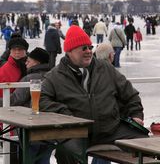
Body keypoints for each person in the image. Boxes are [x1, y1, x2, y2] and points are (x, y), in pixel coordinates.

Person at [39, 25, 148, 164]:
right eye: (83, 48)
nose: (88, 51)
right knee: (66, 151)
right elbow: (41, 100)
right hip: (76, 133)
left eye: (90, 47)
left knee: (147, 145)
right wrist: (65, 114)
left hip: (111, 130)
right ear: (70, 51)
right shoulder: (54, 76)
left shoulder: (105, 68)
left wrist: (136, 115)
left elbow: (130, 94)